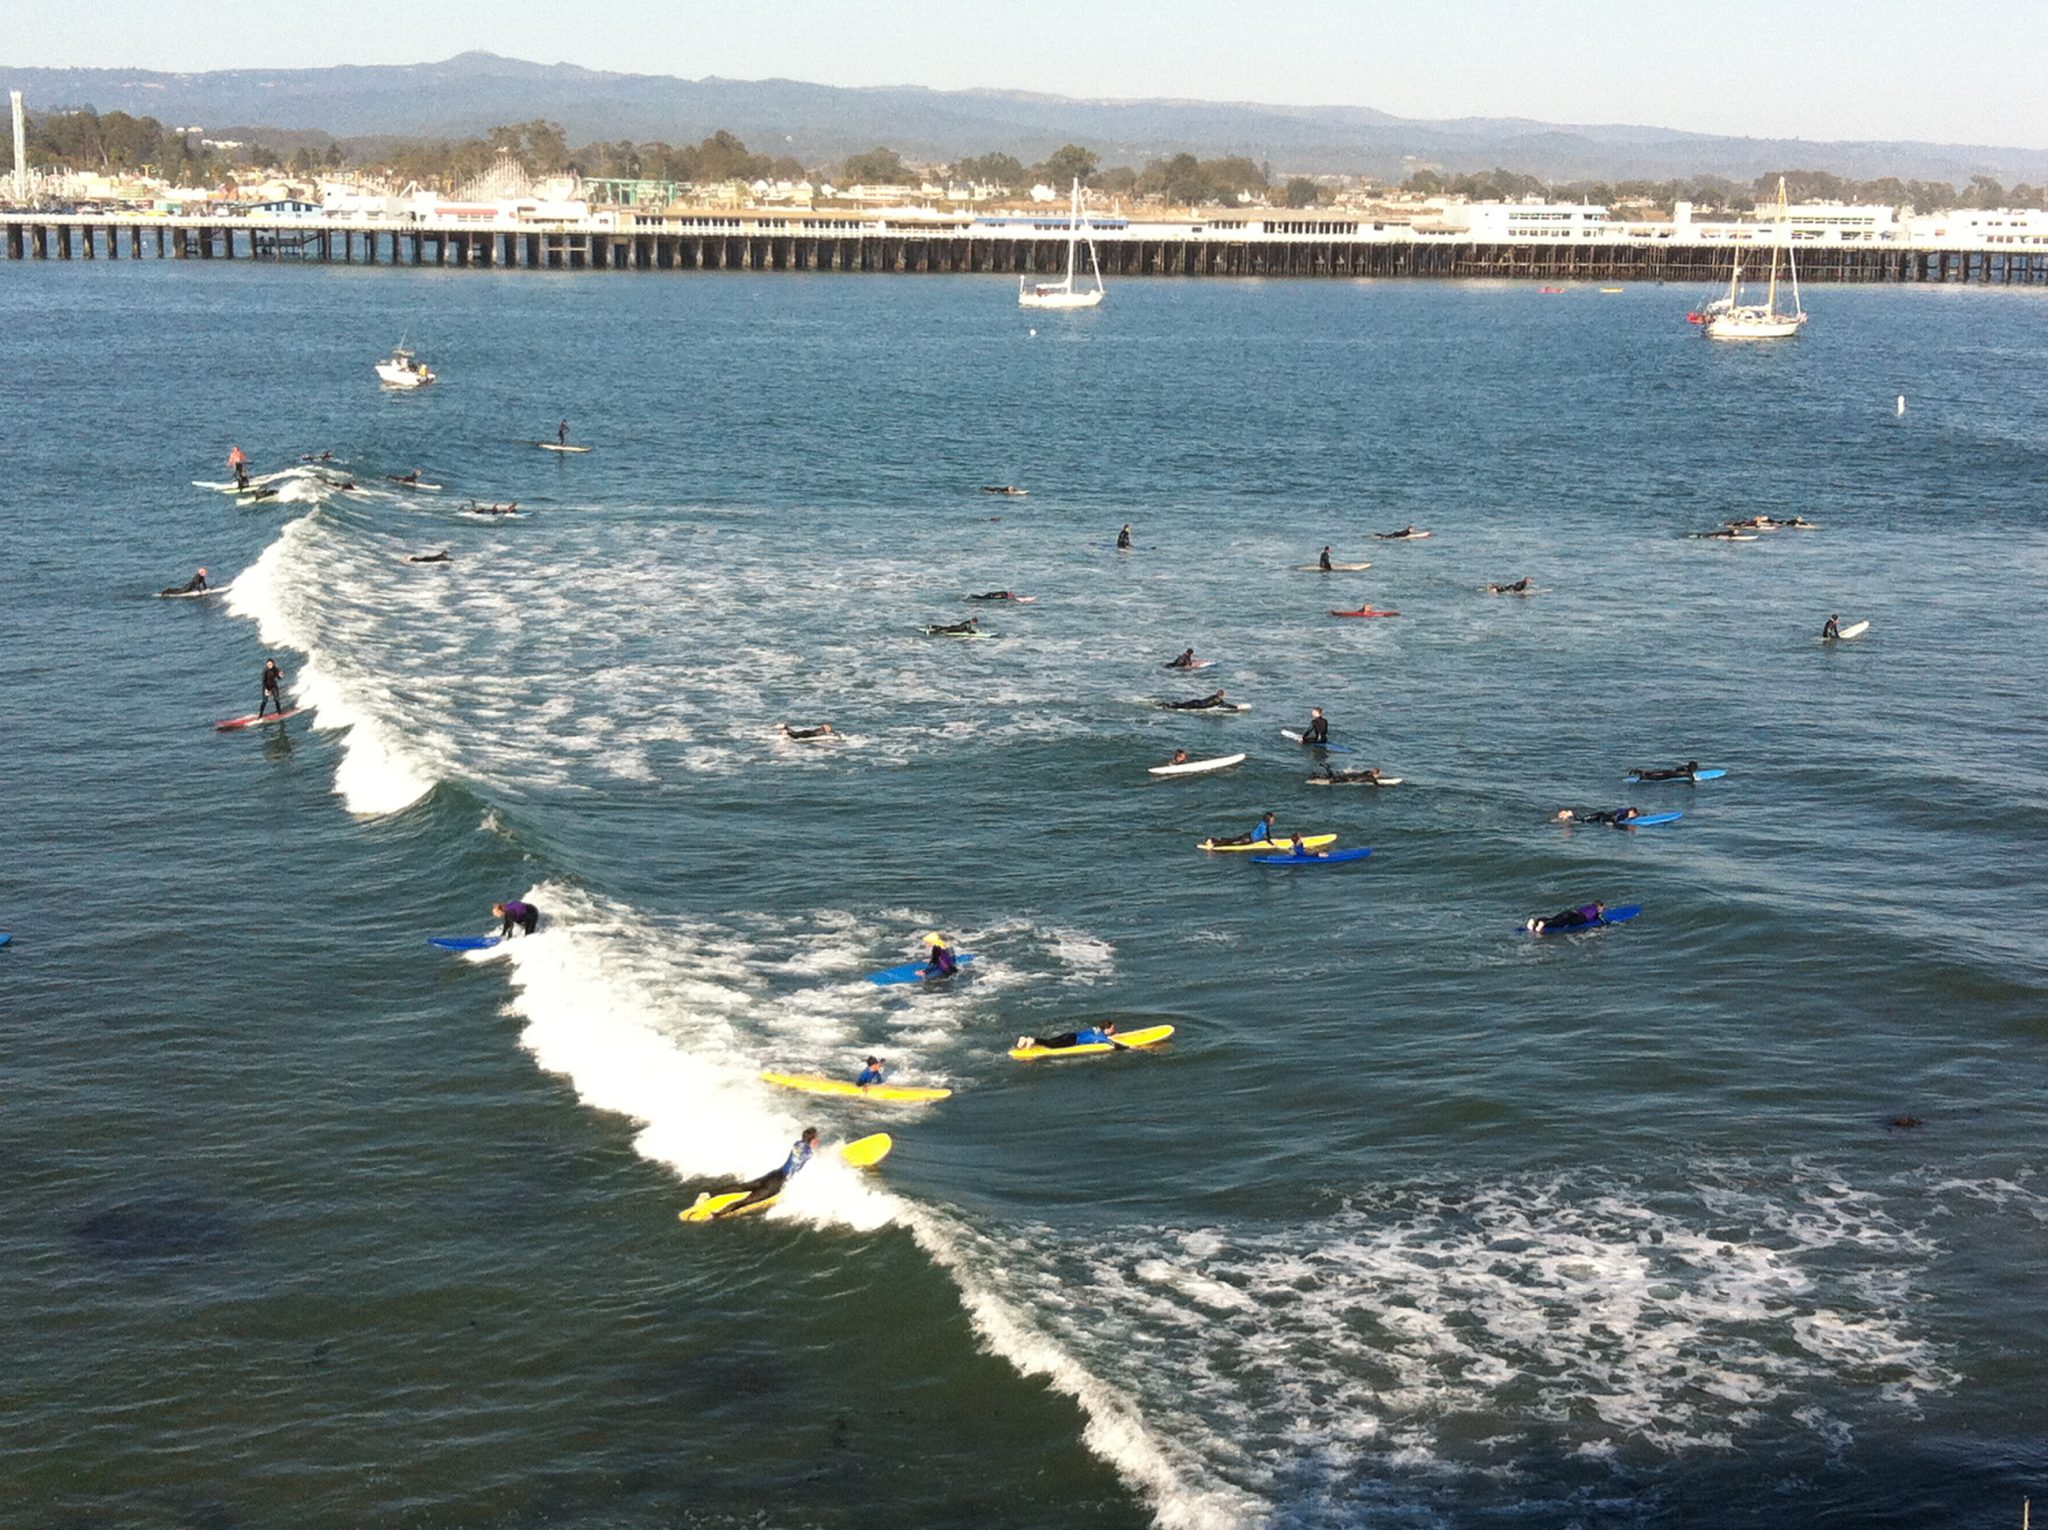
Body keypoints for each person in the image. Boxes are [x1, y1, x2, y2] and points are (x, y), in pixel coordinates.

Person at [716, 1127, 821, 1217]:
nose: (818, 1140)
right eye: (817, 1138)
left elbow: (800, 1153)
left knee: (744, 1186)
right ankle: (716, 1214)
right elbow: (807, 1155)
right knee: (746, 1201)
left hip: (774, 1174)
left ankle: (711, 1194)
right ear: (813, 1140)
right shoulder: (809, 1152)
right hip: (777, 1183)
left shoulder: (797, 1144)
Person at [1017, 1022, 1118, 1051]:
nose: (1115, 1030)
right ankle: (1033, 1040)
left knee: (1050, 1041)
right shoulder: (1101, 1035)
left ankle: (1025, 1039)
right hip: (1072, 1041)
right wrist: (1127, 1048)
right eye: (1113, 1028)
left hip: (1070, 1035)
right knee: (1052, 1045)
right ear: (1107, 1029)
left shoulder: (1096, 1029)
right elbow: (1109, 1042)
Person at [1528, 901, 1606, 934]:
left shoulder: (1588, 907)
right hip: (1576, 917)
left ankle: (1536, 921)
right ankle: (1543, 924)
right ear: (1599, 907)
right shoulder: (1596, 912)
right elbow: (1603, 921)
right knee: (1558, 923)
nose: (1603, 910)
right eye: (1603, 908)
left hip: (1571, 912)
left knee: (1554, 919)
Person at [1211, 811, 1279, 848]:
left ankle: (1214, 840)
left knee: (1233, 840)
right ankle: (1215, 845)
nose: (1274, 821)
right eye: (1272, 820)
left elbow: (1268, 834)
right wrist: (1272, 844)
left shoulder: (1264, 824)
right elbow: (1265, 836)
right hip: (1248, 839)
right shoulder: (1263, 826)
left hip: (1248, 835)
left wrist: (1270, 840)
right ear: (1267, 820)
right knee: (1233, 844)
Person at [1557, 807, 1642, 826]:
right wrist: (1612, 824)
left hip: (1601, 815)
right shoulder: (1625, 813)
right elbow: (1616, 817)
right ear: (1632, 812)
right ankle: (1570, 814)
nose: (1633, 817)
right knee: (1582, 821)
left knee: (1582, 820)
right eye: (1634, 815)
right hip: (1600, 816)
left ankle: (1568, 814)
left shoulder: (1624, 810)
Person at [1630, 760, 1700, 782]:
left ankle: (1642, 772)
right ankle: (1644, 777)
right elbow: (1692, 781)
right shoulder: (1689, 773)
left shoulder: (1685, 768)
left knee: (1654, 773)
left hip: (1669, 771)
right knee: (1656, 778)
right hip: (1670, 776)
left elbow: (1677, 769)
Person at [1162, 689, 1230, 710]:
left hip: (1196, 701)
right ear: (1221, 695)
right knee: (1179, 707)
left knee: (1180, 704)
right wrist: (1237, 707)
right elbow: (1226, 705)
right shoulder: (1218, 700)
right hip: (1196, 705)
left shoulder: (1213, 696)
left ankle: (1166, 704)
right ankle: (1167, 706)